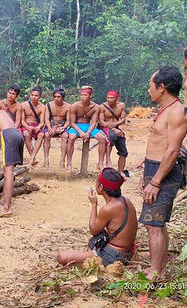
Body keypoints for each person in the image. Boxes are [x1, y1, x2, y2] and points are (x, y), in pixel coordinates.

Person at [141, 66, 187, 280]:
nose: (148, 89)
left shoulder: (177, 112)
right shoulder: (166, 109)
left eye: (151, 85)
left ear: (162, 87)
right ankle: (157, 266)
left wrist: (156, 181)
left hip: (164, 174)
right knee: (157, 222)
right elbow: (161, 143)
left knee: (153, 224)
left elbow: (173, 149)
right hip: (155, 169)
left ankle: (155, 272)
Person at [56, 168, 137, 266]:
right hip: (126, 252)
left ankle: (94, 257)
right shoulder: (126, 200)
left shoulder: (108, 208)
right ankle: (91, 254)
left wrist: (94, 204)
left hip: (113, 256)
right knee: (95, 237)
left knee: (62, 257)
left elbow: (93, 229)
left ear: (101, 187)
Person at [66, 86, 107, 172]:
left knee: (102, 138)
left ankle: (100, 163)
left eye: (85, 95)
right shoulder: (74, 106)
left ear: (90, 96)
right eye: (81, 95)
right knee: (71, 137)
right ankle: (69, 163)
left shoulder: (96, 107)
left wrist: (88, 132)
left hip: (89, 126)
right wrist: (80, 132)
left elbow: (94, 122)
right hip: (76, 126)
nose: (83, 97)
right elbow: (72, 122)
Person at [98, 90, 127, 173]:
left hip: (115, 126)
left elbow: (123, 119)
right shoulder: (102, 106)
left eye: (112, 98)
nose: (109, 100)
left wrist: (114, 125)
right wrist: (113, 128)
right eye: (108, 98)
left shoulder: (121, 106)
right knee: (111, 136)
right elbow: (101, 121)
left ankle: (120, 172)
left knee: (123, 149)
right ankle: (107, 160)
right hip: (104, 127)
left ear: (117, 99)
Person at [42, 88, 71, 169]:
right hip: (51, 125)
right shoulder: (49, 105)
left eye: (58, 97)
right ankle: (46, 159)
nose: (56, 98)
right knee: (47, 135)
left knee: (65, 136)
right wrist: (49, 127)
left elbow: (68, 121)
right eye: (55, 96)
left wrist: (63, 127)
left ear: (63, 97)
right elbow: (46, 118)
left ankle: (62, 160)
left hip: (62, 125)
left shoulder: (68, 107)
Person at [0, 85, 22, 167]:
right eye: (9, 93)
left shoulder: (18, 106)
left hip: (12, 127)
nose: (10, 95)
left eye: (13, 94)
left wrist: (13, 129)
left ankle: (13, 160)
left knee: (15, 136)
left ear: (16, 96)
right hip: (0, 126)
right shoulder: (0, 103)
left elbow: (17, 121)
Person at [20, 85, 46, 167]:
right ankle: (32, 158)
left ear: (40, 97)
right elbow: (22, 120)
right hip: (25, 125)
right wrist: (27, 127)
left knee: (41, 135)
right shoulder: (23, 105)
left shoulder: (42, 107)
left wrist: (38, 127)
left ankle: (32, 158)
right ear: (30, 95)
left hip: (36, 125)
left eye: (36, 95)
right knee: (26, 135)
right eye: (32, 95)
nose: (34, 97)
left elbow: (42, 122)